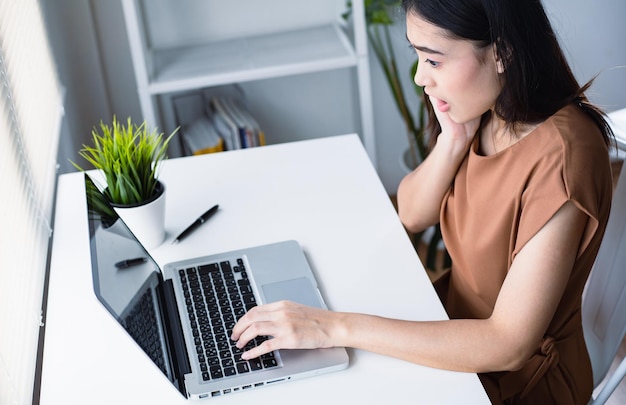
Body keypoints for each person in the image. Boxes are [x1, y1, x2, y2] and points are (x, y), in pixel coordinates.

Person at [231, 0, 616, 403]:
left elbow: (508, 343)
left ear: (502, 53)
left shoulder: (563, 158)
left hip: (517, 383)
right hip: (452, 335)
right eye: (418, 56)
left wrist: (333, 327)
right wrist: (453, 141)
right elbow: (411, 213)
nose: (419, 78)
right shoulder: (488, 110)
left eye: (433, 61)